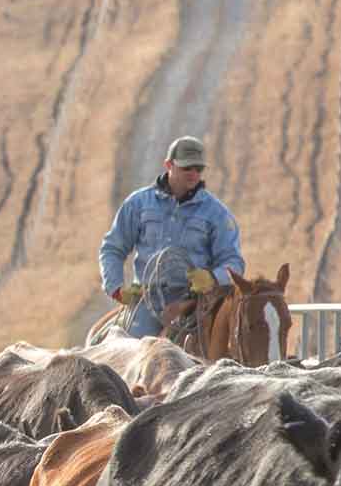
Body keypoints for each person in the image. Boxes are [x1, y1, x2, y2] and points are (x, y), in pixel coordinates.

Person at [97, 135, 245, 340]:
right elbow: (112, 248)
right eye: (187, 168)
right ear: (168, 165)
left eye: (198, 168)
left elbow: (234, 263)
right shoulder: (138, 204)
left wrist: (212, 277)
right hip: (146, 302)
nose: (194, 173)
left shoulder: (218, 214)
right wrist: (116, 288)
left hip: (196, 303)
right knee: (130, 353)